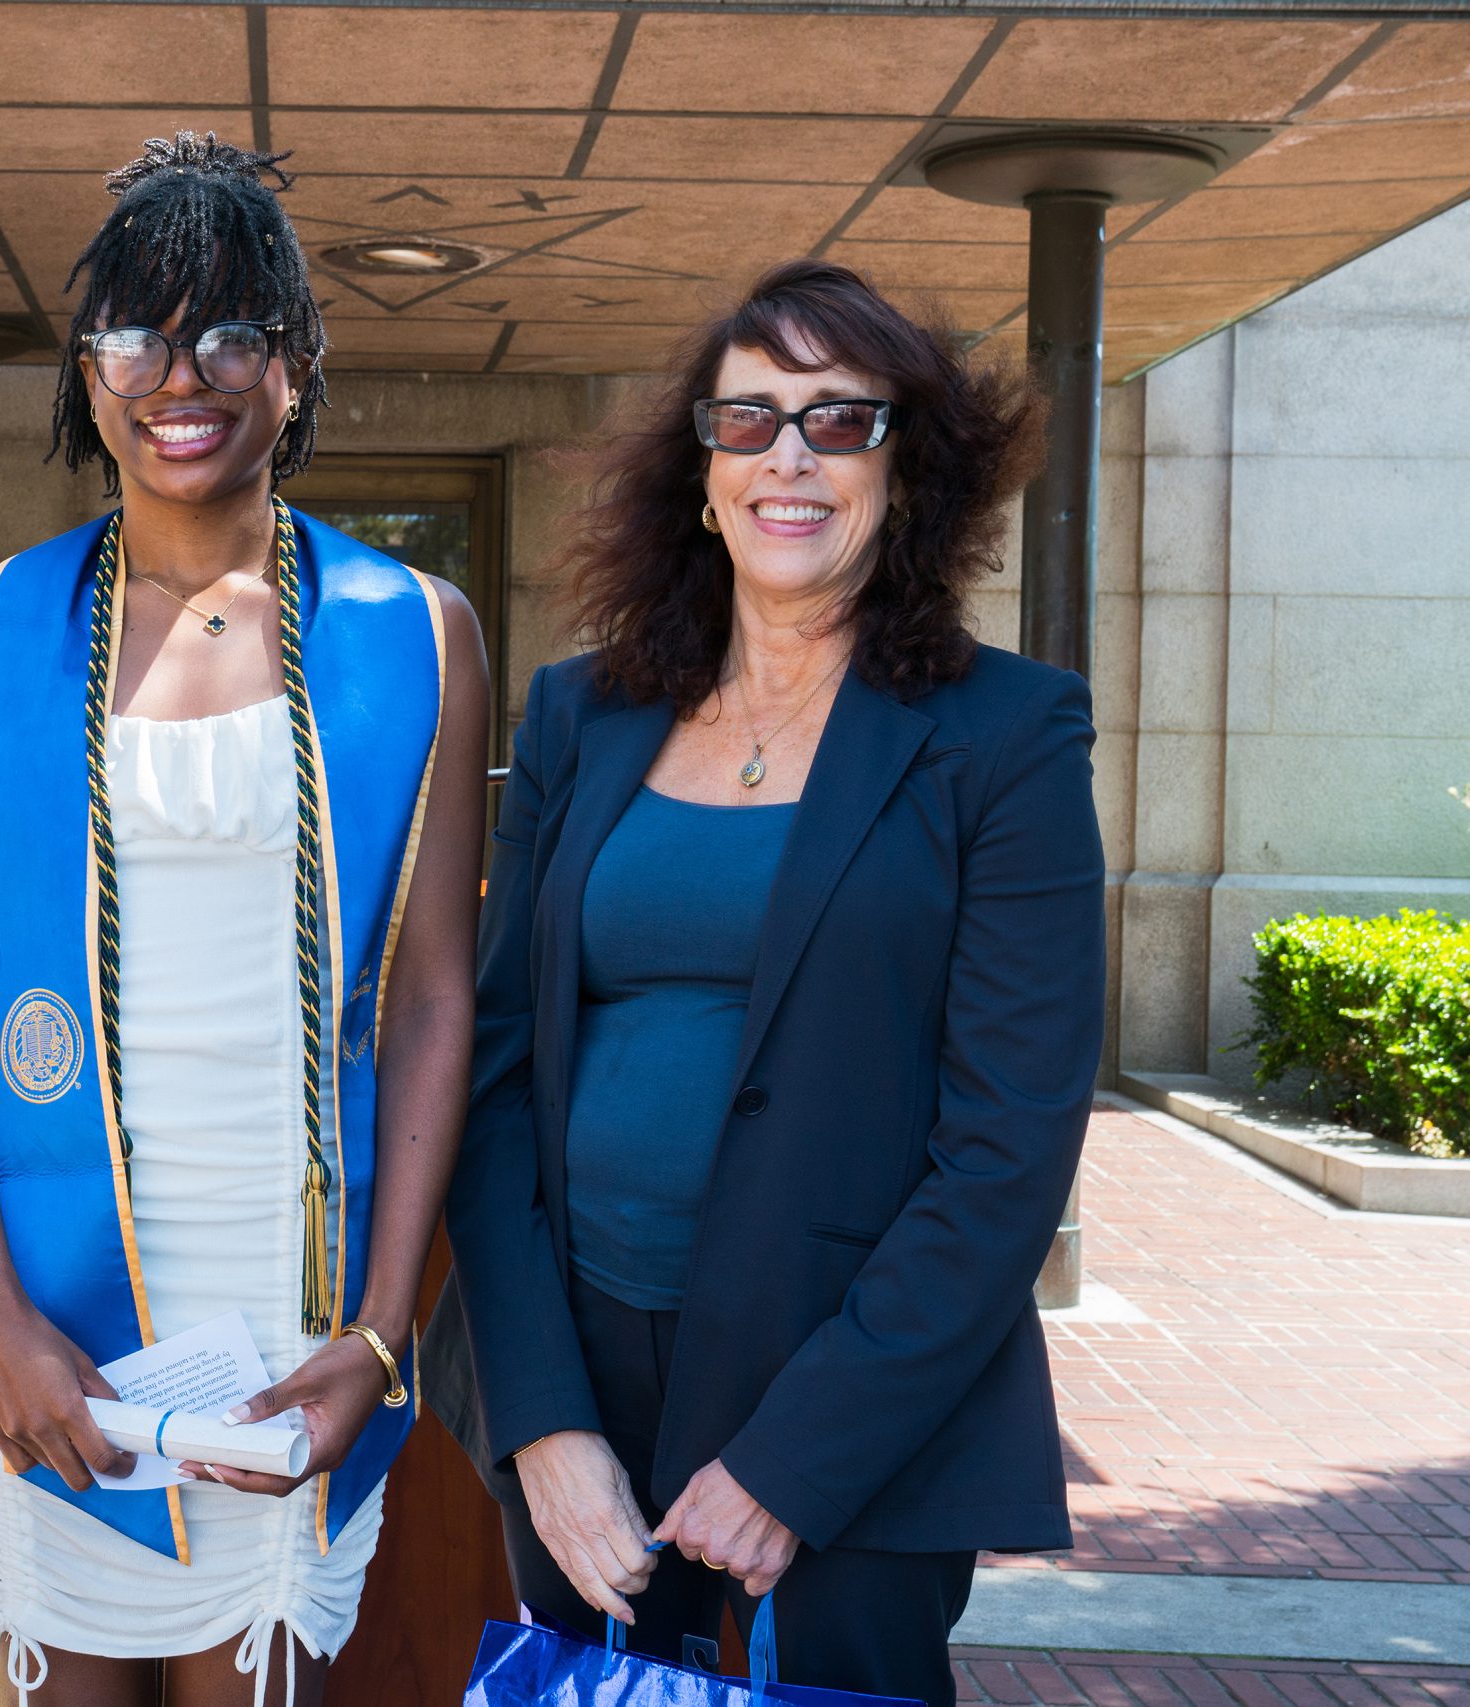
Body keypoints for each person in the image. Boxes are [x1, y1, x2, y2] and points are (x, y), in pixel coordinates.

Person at [423, 260, 1102, 1707]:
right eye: (750, 420)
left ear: (908, 469)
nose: (788, 455)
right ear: (705, 464)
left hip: (854, 1393)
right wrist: (540, 1418)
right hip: (583, 1371)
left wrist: (796, 1460)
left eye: (840, 420)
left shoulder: (1006, 737)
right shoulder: (579, 716)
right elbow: (490, 1077)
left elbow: (1009, 1147)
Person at [0, 133, 488, 1707]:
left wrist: (377, 1330)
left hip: (290, 1292)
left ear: (295, 369)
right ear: (86, 374)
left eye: (231, 330)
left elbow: (430, 1004)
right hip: (43, 1282)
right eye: (136, 331)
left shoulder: (411, 632)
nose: (181, 372)